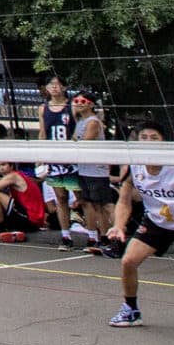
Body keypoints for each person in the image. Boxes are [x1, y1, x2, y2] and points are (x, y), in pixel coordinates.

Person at [108, 122, 172, 327]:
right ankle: (131, 310)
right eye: (143, 137)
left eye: (154, 138)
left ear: (164, 142)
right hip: (157, 222)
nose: (148, 142)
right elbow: (124, 200)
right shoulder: (135, 166)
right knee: (128, 261)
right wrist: (119, 225)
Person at [37, 75, 82, 248]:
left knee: (80, 197)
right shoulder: (43, 108)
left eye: (57, 84)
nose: (54, 87)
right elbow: (42, 133)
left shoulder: (72, 106)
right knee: (60, 197)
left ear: (63, 87)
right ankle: (66, 236)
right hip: (53, 158)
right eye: (51, 84)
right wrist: (40, 157)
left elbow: (90, 118)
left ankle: (94, 232)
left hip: (70, 159)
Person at [71, 90, 119, 253]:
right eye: (76, 100)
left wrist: (77, 142)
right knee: (94, 205)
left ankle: (118, 233)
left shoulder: (92, 122)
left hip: (96, 170)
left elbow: (83, 142)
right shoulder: (79, 121)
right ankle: (104, 237)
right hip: (84, 168)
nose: (77, 103)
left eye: (82, 101)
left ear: (90, 104)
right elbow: (73, 140)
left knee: (106, 204)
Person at [0, 162, 46, 238]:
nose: (1, 168)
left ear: (11, 166)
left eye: (3, 165)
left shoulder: (13, 176)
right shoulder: (17, 176)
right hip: (29, 217)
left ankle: (1, 229)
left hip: (31, 219)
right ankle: (7, 228)